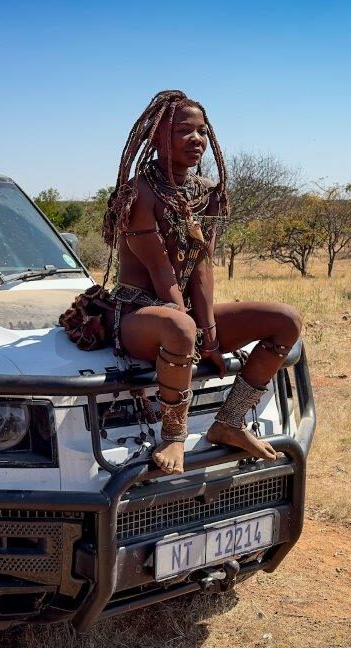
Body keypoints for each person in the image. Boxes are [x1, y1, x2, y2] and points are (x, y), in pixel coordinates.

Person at [100, 90, 302, 475]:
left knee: (285, 320)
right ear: (158, 138)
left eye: (202, 132)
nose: (197, 140)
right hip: (140, 315)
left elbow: (203, 267)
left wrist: (208, 328)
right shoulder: (139, 193)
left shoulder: (206, 193)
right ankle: (173, 435)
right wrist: (198, 333)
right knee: (179, 324)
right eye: (183, 131)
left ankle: (230, 422)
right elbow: (161, 273)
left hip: (187, 319)